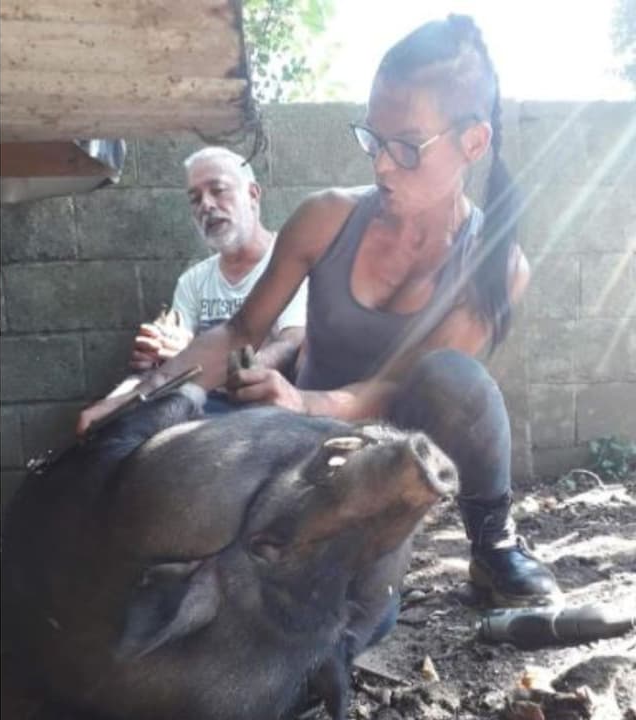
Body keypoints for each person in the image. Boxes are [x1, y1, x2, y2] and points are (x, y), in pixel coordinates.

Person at [78, 14, 560, 606]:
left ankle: (494, 547)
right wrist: (134, 399)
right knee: (168, 473)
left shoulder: (497, 267)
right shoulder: (326, 217)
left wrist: (303, 399)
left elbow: (400, 385)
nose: (381, 164)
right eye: (373, 139)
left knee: (460, 381)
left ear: (473, 142)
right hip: (292, 434)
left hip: (391, 451)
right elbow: (238, 332)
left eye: (406, 146)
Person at [130, 147, 307, 383]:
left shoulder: (288, 262)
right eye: (195, 198)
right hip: (203, 401)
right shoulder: (193, 281)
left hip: (268, 406)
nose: (206, 205)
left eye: (218, 190)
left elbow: (291, 343)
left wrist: (199, 361)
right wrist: (155, 355)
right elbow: (177, 344)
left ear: (253, 195)